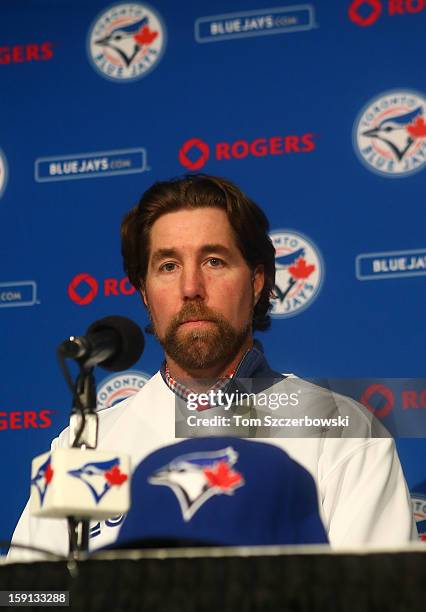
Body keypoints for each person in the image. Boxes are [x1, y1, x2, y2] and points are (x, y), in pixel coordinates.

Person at [8, 174, 416, 561]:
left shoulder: (340, 430)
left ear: (257, 282)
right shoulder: (86, 445)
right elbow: (28, 594)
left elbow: (375, 594)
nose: (190, 288)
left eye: (214, 261)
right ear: (145, 293)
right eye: (168, 266)